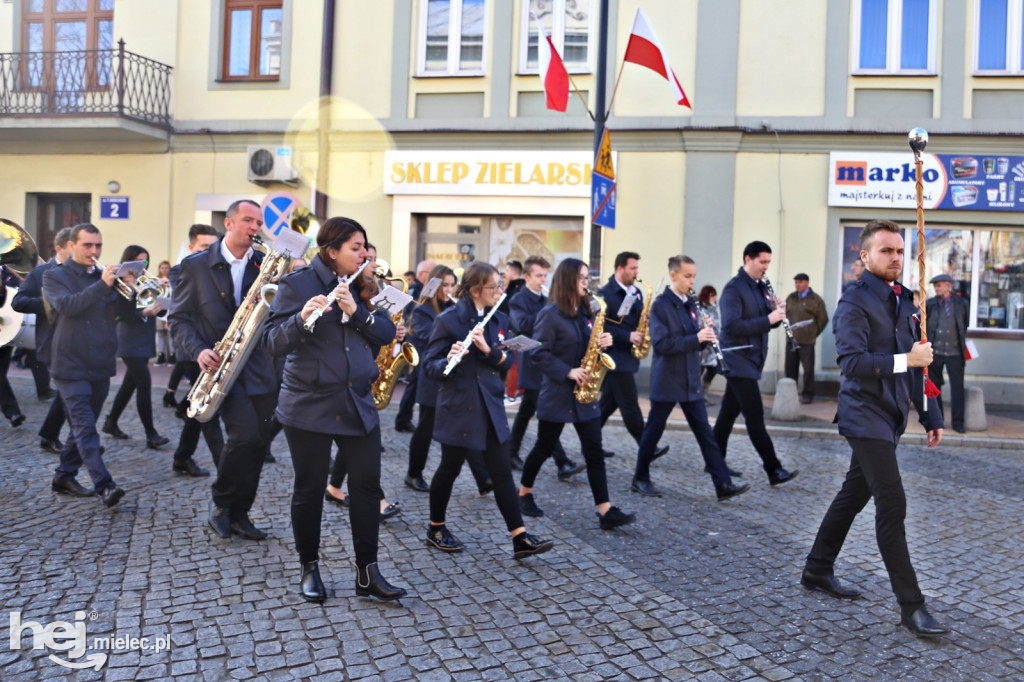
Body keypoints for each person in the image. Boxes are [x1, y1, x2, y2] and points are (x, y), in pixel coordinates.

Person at [803, 219, 948, 639]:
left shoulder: (906, 302)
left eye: (900, 251)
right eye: (886, 250)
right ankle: (912, 605)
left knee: (854, 492)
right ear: (864, 256)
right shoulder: (854, 303)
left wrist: (932, 415)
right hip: (863, 414)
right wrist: (909, 361)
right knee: (892, 502)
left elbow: (919, 365)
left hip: (891, 415)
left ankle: (817, 568)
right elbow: (852, 363)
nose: (896, 258)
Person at [263, 216, 408, 603]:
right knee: (308, 489)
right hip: (309, 403)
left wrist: (357, 313)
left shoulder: (367, 285)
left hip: (356, 402)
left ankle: (367, 572)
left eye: (365, 247)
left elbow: (385, 334)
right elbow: (273, 343)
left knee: (365, 486)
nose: (365, 254)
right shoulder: (296, 285)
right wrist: (301, 318)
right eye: (356, 248)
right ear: (332, 252)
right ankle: (309, 567)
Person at [421, 261, 554, 558]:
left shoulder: (499, 320)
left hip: (490, 405)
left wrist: (487, 350)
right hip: (459, 405)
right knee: (450, 468)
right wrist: (449, 361)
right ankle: (436, 527)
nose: (499, 291)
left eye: (499, 285)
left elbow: (507, 362)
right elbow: (430, 366)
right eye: (494, 286)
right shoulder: (449, 321)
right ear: (476, 289)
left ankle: (519, 536)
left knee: (502, 471)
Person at [170, 200, 278, 540]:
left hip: (262, 366)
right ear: (228, 223)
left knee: (259, 444)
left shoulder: (265, 264)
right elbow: (178, 319)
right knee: (244, 435)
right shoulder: (195, 266)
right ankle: (222, 504)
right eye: (248, 220)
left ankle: (240, 512)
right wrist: (198, 350)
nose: (254, 227)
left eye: (259, 222)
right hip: (222, 366)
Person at [517, 258, 637, 531]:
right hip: (559, 392)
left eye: (587, 277)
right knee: (544, 448)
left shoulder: (585, 312)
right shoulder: (550, 314)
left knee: (594, 450)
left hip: (585, 393)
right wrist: (567, 371)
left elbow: (589, 346)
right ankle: (524, 493)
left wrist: (605, 341)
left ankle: (605, 510)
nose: (587, 282)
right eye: (582, 278)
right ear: (569, 280)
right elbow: (538, 352)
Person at [631, 256, 750, 501]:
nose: (692, 281)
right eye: (687, 276)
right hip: (668, 379)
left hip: (690, 379)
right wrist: (696, 338)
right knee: (653, 431)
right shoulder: (661, 305)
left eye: (694, 276)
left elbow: (693, 343)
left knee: (705, 433)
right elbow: (663, 345)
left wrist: (707, 337)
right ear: (673, 275)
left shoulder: (691, 304)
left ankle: (722, 484)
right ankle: (640, 478)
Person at [43, 223, 126, 507]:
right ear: (71, 246)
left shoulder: (107, 279)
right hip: (69, 363)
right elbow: (68, 306)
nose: (94, 251)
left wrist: (140, 299)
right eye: (88, 245)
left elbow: (121, 313)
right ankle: (105, 485)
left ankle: (64, 475)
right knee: (85, 427)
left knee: (81, 427)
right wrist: (103, 284)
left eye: (98, 245)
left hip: (100, 362)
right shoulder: (55, 276)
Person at [323, 242, 403, 521]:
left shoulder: (375, 291)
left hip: (365, 368)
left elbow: (380, 328)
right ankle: (374, 499)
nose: (371, 265)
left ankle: (334, 487)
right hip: (346, 374)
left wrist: (394, 332)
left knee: (355, 436)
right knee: (357, 436)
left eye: (372, 259)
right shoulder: (348, 290)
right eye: (366, 259)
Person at [712, 241, 799, 487]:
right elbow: (732, 326)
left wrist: (774, 314)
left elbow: (762, 322)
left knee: (728, 413)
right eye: (762, 262)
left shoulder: (759, 287)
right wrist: (768, 318)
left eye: (768, 262)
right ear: (748, 260)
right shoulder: (733, 289)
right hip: (737, 358)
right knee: (755, 417)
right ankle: (774, 469)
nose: (766, 267)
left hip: (752, 358)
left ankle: (714, 461)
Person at [403, 264, 493, 495]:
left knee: (466, 427)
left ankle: (483, 478)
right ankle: (414, 474)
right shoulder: (423, 310)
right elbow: (427, 337)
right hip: (433, 378)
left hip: (455, 379)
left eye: (452, 285)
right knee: (424, 429)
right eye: (445, 285)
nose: (449, 290)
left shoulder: (455, 308)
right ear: (434, 285)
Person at [507, 255, 583, 479]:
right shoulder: (518, 300)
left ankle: (511, 452)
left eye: (545, 275)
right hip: (532, 362)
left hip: (548, 362)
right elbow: (521, 325)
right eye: (538, 276)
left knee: (527, 411)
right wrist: (549, 311)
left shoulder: (547, 298)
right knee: (547, 414)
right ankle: (562, 462)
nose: (543, 280)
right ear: (526, 276)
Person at [597, 252, 667, 460]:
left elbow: (637, 317)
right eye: (632, 268)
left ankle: (589, 442)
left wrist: (646, 316)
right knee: (630, 405)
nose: (636, 273)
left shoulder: (635, 292)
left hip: (628, 356)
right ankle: (647, 446)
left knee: (606, 405)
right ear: (620, 268)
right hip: (614, 356)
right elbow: (601, 326)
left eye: (637, 268)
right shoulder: (605, 293)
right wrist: (627, 335)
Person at [167, 225, 223, 477]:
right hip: (194, 353)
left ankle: (182, 457)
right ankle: (225, 469)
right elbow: (182, 315)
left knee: (196, 407)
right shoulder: (182, 270)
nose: (209, 252)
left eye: (213, 247)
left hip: (214, 349)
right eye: (203, 247)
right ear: (190, 248)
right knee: (208, 410)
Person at [100, 245, 170, 449]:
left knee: (129, 384)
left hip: (144, 339)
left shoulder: (144, 282)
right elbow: (122, 314)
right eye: (139, 262)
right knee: (144, 384)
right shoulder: (118, 285)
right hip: (129, 341)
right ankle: (151, 434)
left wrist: (158, 307)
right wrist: (142, 312)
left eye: (145, 262)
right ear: (128, 262)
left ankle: (111, 422)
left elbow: (150, 307)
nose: (142, 267)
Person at [12, 226, 73, 452]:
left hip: (78, 340)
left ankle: (52, 435)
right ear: (61, 248)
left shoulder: (82, 272)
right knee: (73, 390)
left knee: (72, 391)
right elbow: (18, 302)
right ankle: (82, 440)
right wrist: (47, 304)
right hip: (53, 341)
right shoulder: (40, 273)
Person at [394, 260, 436, 432]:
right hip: (415, 342)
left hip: (417, 341)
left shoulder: (424, 291)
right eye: (431, 272)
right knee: (415, 381)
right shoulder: (415, 291)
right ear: (421, 275)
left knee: (415, 381)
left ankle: (404, 418)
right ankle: (403, 419)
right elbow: (410, 314)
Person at [926, 273, 969, 433]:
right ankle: (938, 420)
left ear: (948, 286)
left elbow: (964, 325)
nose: (936, 288)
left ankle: (958, 422)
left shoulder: (962, 303)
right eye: (935, 286)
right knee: (934, 387)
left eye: (939, 285)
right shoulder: (930, 304)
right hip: (934, 352)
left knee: (958, 388)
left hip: (955, 352)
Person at [784, 273, 830, 404]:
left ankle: (808, 394)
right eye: (796, 282)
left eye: (800, 282)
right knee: (790, 368)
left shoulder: (815, 299)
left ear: (807, 283)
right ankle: (789, 394)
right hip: (791, 340)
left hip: (807, 341)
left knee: (808, 369)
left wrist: (812, 333)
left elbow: (823, 319)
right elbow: (786, 316)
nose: (797, 284)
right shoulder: (791, 298)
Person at [0, 264, 27, 428]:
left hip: (7, 329)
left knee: (1, 374)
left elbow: (18, 296)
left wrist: (3, 289)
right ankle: (13, 412)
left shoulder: (9, 273)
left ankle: (12, 411)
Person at [697, 285, 720, 405]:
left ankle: (703, 394)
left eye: (715, 295)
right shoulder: (700, 308)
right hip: (702, 347)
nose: (714, 297)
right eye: (712, 295)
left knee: (713, 369)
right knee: (698, 370)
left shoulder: (714, 309)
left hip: (713, 347)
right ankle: (696, 395)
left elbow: (717, 325)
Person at [154, 259, 174, 366]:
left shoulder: (173, 280)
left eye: (167, 268)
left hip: (170, 310)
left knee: (171, 334)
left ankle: (172, 355)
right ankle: (161, 355)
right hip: (160, 309)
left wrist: (169, 285)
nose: (164, 270)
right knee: (160, 333)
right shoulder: (156, 280)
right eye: (162, 268)